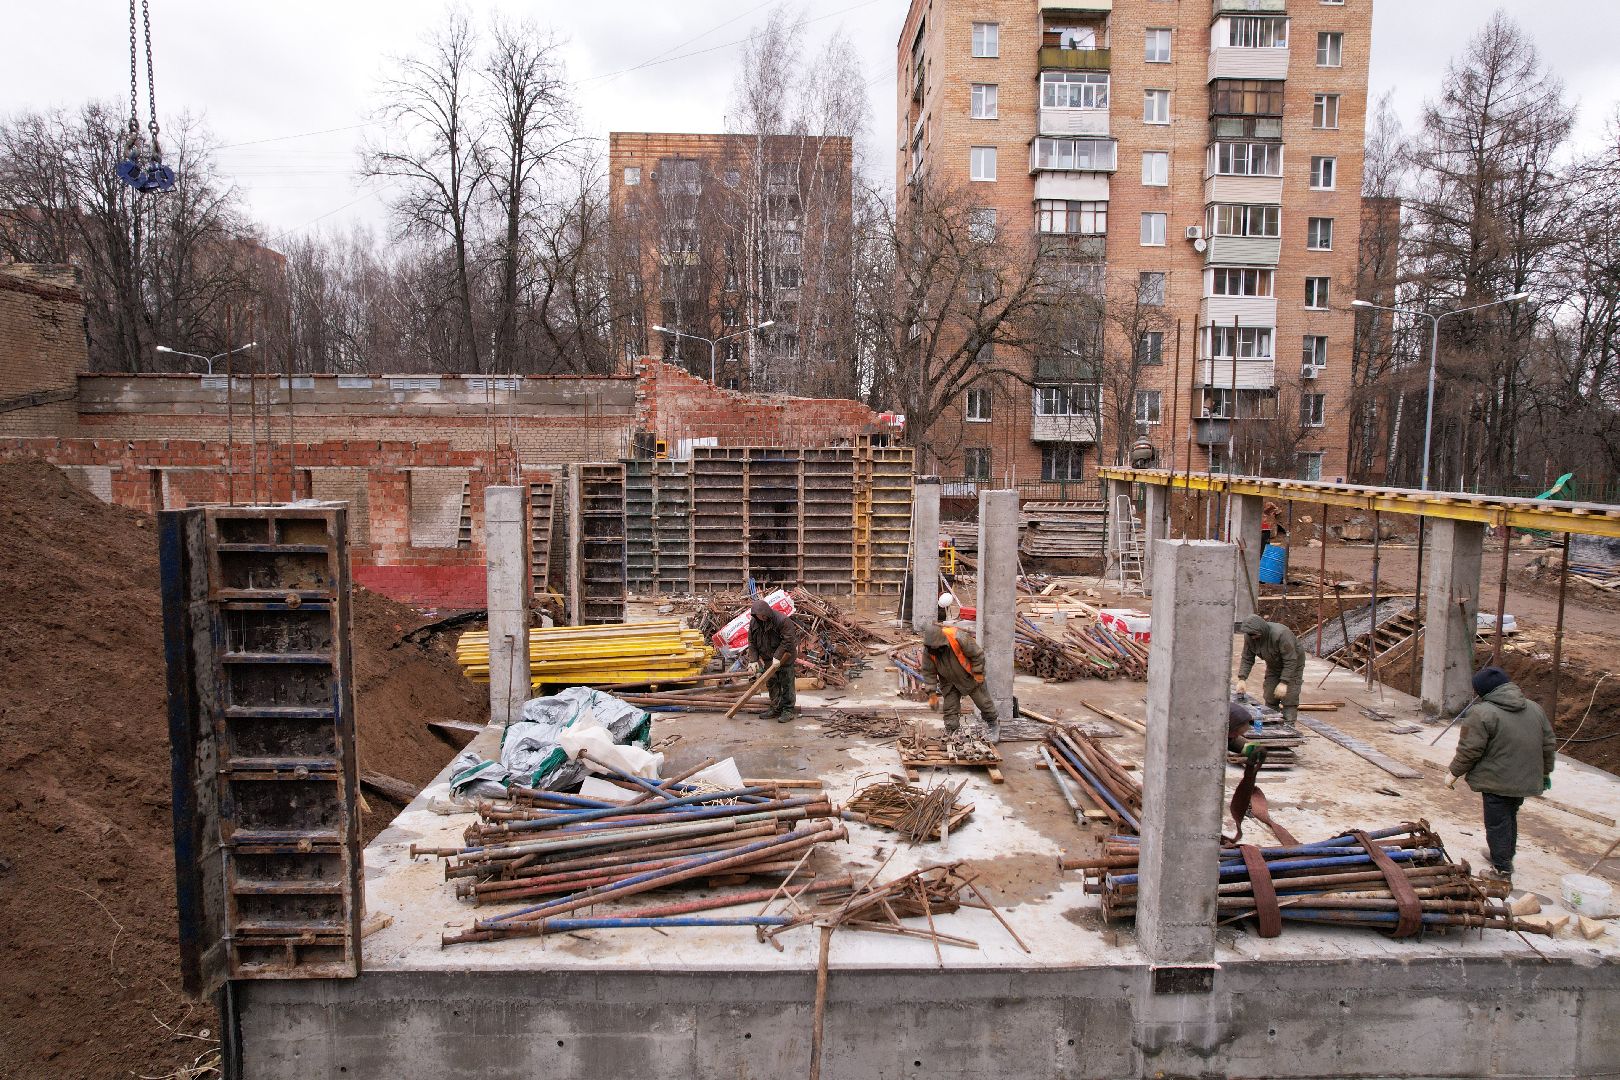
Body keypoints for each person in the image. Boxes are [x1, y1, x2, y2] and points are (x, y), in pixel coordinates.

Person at [1449, 666, 1556, 883]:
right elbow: (1548, 744)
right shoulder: (1535, 709)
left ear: (1483, 691)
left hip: (1496, 779)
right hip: (1524, 779)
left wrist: (1454, 772)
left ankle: (1502, 871)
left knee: (1497, 822)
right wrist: (1545, 772)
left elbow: (1470, 749)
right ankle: (1503, 854)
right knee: (1509, 817)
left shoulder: (1481, 713)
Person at [921, 594, 998, 738]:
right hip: (949, 682)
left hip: (969, 676)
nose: (934, 650)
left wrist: (978, 672)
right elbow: (928, 672)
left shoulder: (957, 637)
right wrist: (931, 693)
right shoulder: (929, 649)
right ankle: (952, 731)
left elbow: (977, 654)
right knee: (950, 709)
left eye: (936, 648)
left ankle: (993, 725)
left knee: (984, 703)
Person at [1236, 615, 1304, 724]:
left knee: (1289, 698)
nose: (1252, 637)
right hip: (1273, 665)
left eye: (1254, 635)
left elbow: (1290, 660)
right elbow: (1247, 658)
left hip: (1293, 665)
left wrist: (1284, 682)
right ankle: (1272, 723)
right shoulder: (1250, 637)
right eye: (1250, 635)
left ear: (1261, 630)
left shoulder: (1281, 635)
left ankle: (1289, 726)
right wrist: (1242, 678)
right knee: (1270, 695)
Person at [748, 598, 801, 723]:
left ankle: (788, 710)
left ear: (767, 612)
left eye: (763, 615)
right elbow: (752, 642)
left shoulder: (782, 621)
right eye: (758, 616)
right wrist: (753, 659)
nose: (761, 617)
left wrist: (777, 656)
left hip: (785, 657)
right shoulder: (754, 623)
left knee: (786, 682)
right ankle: (776, 708)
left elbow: (788, 640)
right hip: (768, 658)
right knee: (772, 683)